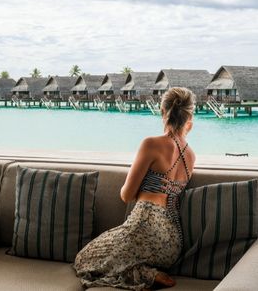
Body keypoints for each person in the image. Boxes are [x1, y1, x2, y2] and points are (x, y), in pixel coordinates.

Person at [73, 87, 196, 290]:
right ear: (189, 117)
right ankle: (144, 269)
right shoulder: (191, 155)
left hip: (145, 228)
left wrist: (147, 185)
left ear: (162, 111)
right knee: (119, 254)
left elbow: (127, 195)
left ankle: (144, 274)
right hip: (173, 243)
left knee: (84, 259)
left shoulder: (151, 144)